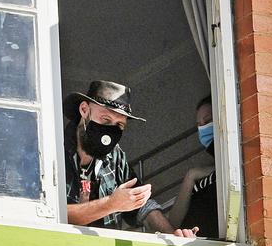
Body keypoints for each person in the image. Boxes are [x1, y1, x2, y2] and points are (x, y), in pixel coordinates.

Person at [63, 80, 197, 237]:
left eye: (119, 125)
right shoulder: (53, 150)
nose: (110, 131)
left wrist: (173, 235)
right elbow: (52, 213)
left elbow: (142, 206)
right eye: (105, 120)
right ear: (84, 110)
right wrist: (110, 204)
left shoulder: (115, 156)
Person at [168, 96, 219, 238]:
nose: (203, 128)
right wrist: (190, 176)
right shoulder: (201, 175)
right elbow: (173, 223)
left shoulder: (236, 170)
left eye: (208, 121)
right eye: (199, 125)